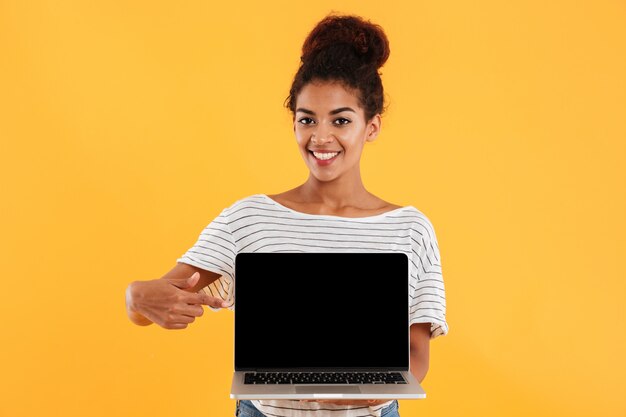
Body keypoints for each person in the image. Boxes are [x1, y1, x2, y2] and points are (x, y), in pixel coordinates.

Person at [125, 12, 448, 417]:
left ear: (372, 127)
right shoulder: (249, 219)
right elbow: (157, 300)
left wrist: (371, 391)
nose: (321, 137)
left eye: (341, 120)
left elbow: (417, 351)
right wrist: (135, 297)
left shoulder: (410, 230)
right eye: (307, 119)